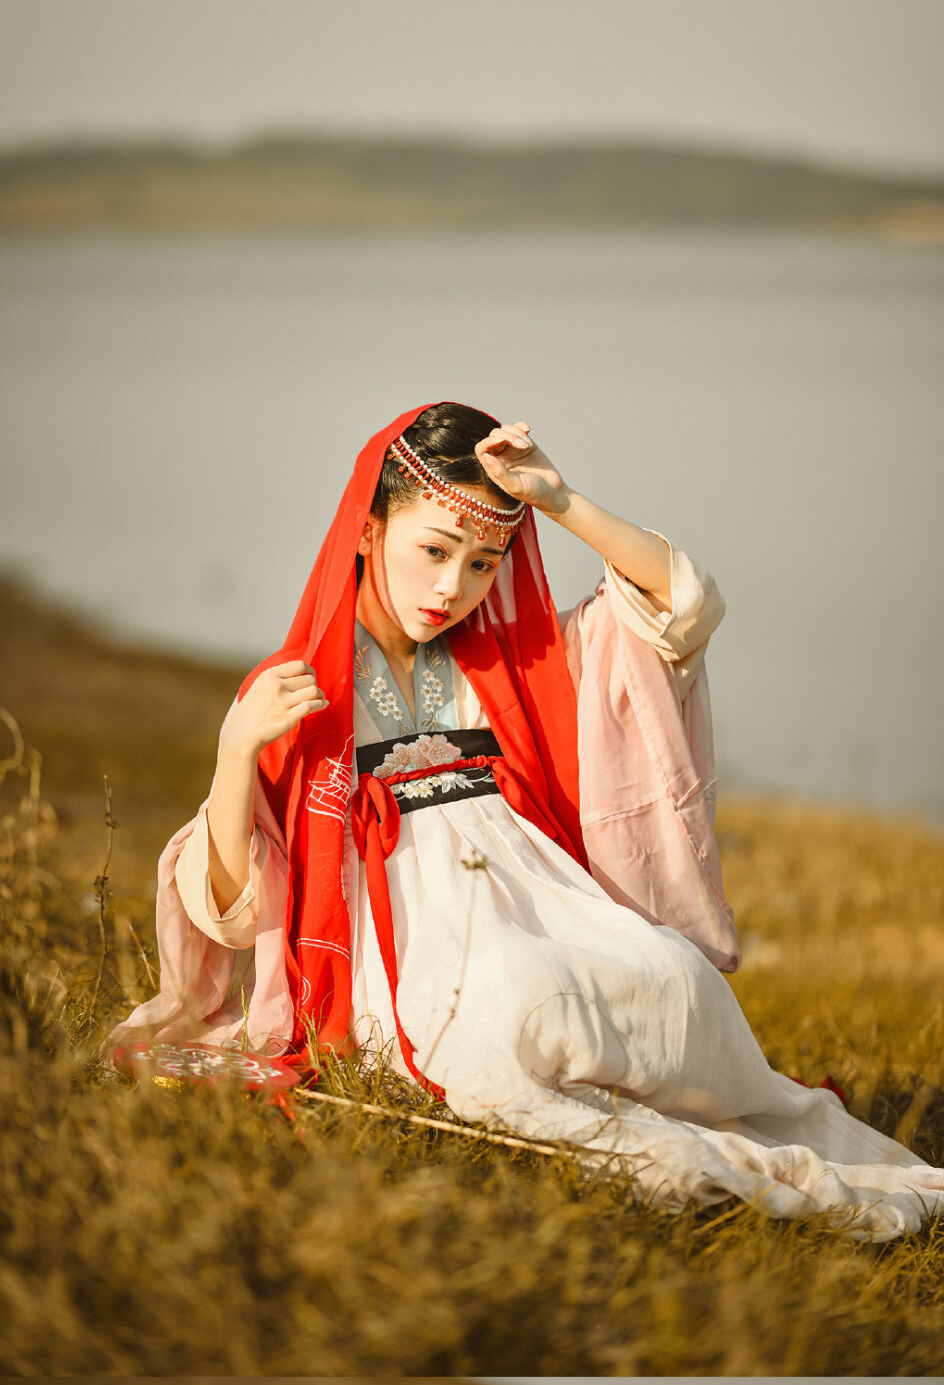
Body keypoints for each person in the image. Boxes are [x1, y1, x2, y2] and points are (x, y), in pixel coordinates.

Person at [113, 396, 944, 1242]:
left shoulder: (517, 664)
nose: (453, 588)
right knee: (518, 1003)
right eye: (434, 551)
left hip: (547, 900)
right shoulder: (298, 687)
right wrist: (234, 751)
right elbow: (236, 909)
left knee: (677, 983)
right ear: (367, 530)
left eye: (483, 564)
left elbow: (682, 604)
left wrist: (561, 500)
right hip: (411, 948)